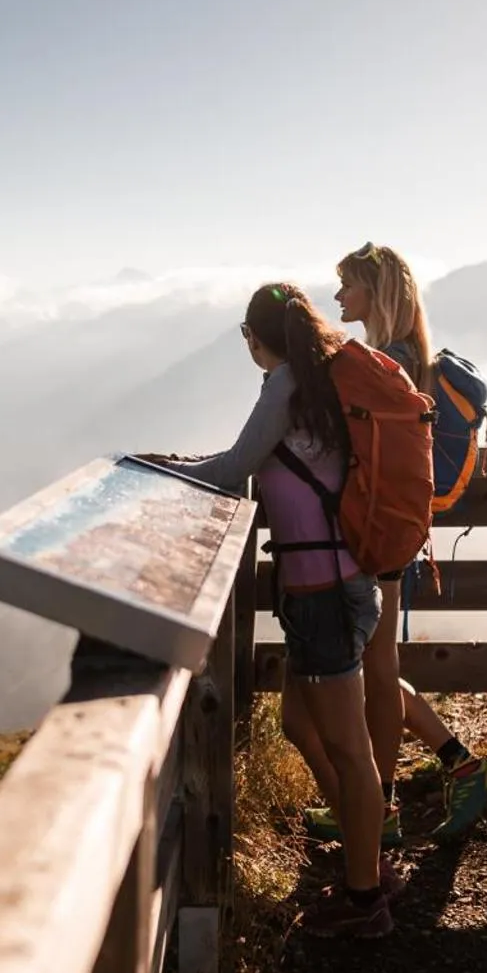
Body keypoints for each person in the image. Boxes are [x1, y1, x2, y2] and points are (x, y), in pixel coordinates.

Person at [154, 283, 401, 938]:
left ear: (254, 336)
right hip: (339, 582)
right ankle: (363, 848)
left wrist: (164, 469)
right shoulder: (327, 376)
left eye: (245, 337)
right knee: (298, 720)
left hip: (320, 591)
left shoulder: (286, 382)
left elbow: (235, 466)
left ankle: (364, 898)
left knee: (348, 750)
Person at [303, 240, 487, 845]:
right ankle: (457, 768)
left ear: (376, 292)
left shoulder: (380, 362)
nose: (338, 296)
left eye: (348, 285)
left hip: (380, 535)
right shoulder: (413, 358)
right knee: (376, 668)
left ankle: (382, 808)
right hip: (402, 533)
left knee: (375, 668)